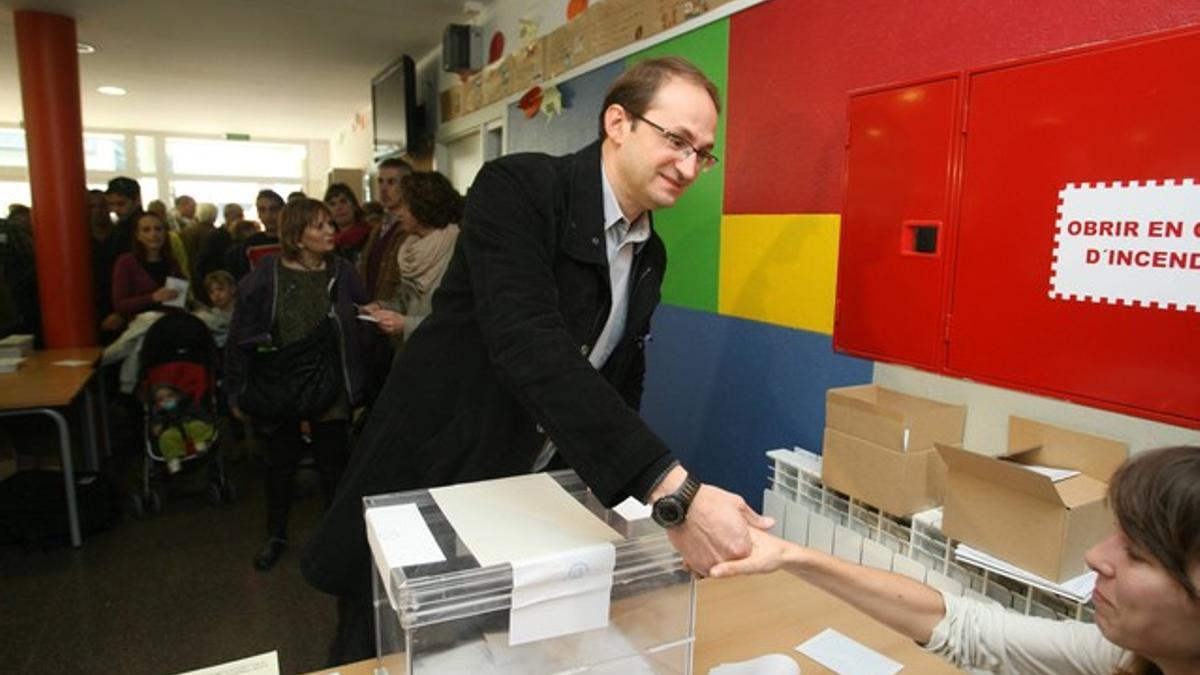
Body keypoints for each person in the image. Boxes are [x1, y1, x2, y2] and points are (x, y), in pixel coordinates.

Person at [303, 56, 772, 663]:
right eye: (676, 139)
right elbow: (528, 342)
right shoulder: (519, 188)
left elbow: (621, 378)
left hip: (523, 494)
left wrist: (618, 502)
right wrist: (672, 489)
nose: (688, 166)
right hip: (435, 467)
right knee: (385, 647)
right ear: (618, 122)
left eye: (703, 153)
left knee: (481, 649)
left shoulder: (649, 253)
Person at [709, 445, 1200, 675]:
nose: (1096, 557)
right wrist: (794, 555)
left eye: (1136, 553)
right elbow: (965, 627)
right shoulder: (1124, 657)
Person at [225, 198, 368, 572]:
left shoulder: (343, 271)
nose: (329, 232)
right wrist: (236, 389)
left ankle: (338, 542)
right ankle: (276, 535)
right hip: (282, 385)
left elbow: (363, 317)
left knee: (334, 467)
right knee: (281, 465)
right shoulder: (264, 277)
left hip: (331, 386)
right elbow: (239, 337)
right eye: (318, 226)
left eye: (330, 225)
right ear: (296, 235)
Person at [360, 171, 462, 351]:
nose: (398, 213)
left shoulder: (457, 249)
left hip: (446, 355)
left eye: (405, 205)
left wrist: (407, 325)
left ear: (423, 207)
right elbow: (404, 300)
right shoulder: (409, 247)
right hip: (412, 353)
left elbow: (459, 318)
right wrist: (379, 307)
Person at [357, 158, 412, 303]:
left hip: (394, 314)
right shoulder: (377, 227)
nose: (383, 188)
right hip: (372, 311)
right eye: (380, 181)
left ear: (406, 186)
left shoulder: (411, 228)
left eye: (391, 182)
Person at [110, 211, 184, 319]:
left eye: (158, 229)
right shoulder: (126, 262)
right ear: (137, 235)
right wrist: (152, 298)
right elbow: (120, 305)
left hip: (171, 324)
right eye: (146, 230)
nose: (153, 234)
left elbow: (177, 302)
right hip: (142, 328)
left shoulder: (172, 262)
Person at [231, 190, 284, 279]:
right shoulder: (251, 243)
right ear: (258, 213)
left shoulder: (293, 241)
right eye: (262, 210)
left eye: (273, 209)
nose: (268, 215)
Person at [324, 183, 370, 264]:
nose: (338, 208)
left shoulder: (371, 235)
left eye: (343, 201)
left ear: (354, 206)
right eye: (332, 204)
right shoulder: (325, 241)